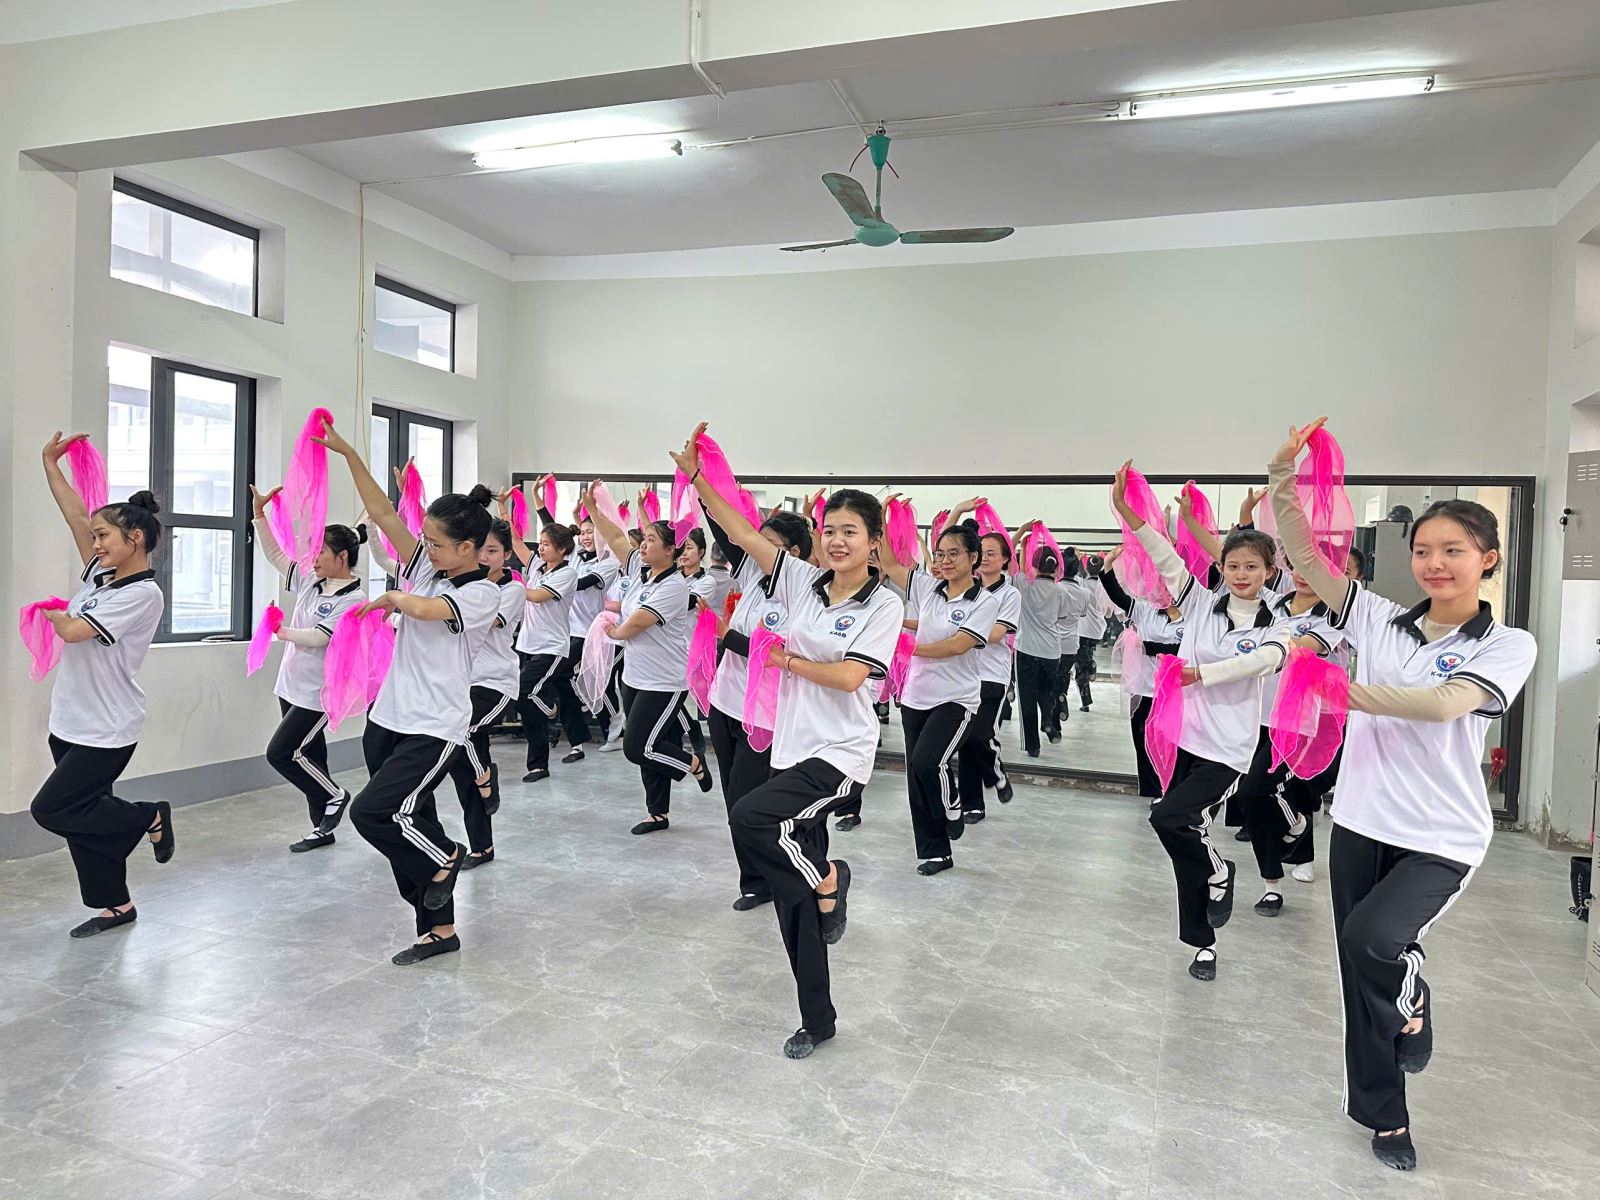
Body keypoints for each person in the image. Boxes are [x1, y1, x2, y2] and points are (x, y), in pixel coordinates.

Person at [1269, 419, 1536, 1172]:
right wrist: (1282, 474)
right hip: (1361, 820)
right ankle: (1386, 1117)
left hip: (1442, 835)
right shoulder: (1378, 617)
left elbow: (1447, 705)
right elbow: (1305, 556)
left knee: (1374, 941)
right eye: (1423, 551)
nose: (1435, 563)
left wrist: (1340, 692)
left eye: (1454, 550)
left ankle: (1412, 992)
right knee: (1357, 973)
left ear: (1487, 559)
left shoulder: (1507, 644)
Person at [674, 425, 901, 1060]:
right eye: (829, 529)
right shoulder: (803, 582)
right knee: (791, 898)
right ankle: (817, 1018)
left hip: (840, 753)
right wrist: (699, 480)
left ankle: (830, 876)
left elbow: (852, 677)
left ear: (874, 542)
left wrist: (786, 661)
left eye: (850, 531)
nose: (836, 540)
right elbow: (743, 531)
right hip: (792, 747)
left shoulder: (883, 605)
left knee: (750, 818)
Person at [315, 422, 500, 966]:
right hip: (389, 719)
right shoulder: (427, 566)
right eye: (427, 541)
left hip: (434, 726)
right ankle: (438, 929)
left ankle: (445, 858)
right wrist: (350, 454)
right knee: (415, 819)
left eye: (437, 544)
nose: (427, 549)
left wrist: (392, 597)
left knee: (374, 813)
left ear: (468, 548)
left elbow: (425, 609)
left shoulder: (482, 594)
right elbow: (384, 513)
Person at [1113, 461, 1291, 983]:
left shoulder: (1277, 622)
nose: (1241, 574)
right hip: (1187, 740)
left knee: (1170, 819)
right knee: (1184, 836)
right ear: (1222, 567)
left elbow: (1265, 662)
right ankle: (1203, 942)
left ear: (1268, 571)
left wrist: (1202, 674)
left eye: (1251, 566)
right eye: (1232, 565)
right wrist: (1128, 513)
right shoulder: (1199, 604)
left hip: (1229, 750)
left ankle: (1218, 869)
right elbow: (1163, 554)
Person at [29, 433, 170, 939]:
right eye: (94, 537)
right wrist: (50, 464)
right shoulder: (101, 576)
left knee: (53, 809)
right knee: (83, 817)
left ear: (136, 538)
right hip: (70, 720)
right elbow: (74, 515)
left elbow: (73, 632)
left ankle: (148, 816)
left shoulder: (143, 594)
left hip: (107, 727)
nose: (94, 544)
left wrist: (50, 613)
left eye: (104, 536)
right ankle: (116, 905)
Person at [702, 499, 814, 910]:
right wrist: (700, 480)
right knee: (732, 798)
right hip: (725, 703)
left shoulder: (804, 595)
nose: (755, 549)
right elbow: (724, 526)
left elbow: (775, 654)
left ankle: (771, 876)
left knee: (747, 802)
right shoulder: (751, 571)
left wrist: (725, 634)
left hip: (765, 717)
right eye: (754, 542)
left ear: (794, 553)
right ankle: (753, 879)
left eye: (766, 544)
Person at [879, 512, 1001, 875]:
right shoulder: (926, 588)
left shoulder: (983, 602)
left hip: (956, 699)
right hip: (916, 696)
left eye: (954, 554)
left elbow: (957, 645)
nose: (945, 560)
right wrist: (881, 520)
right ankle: (935, 852)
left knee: (928, 762)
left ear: (973, 558)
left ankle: (952, 807)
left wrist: (907, 648)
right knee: (915, 777)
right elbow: (889, 564)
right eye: (941, 553)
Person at [585, 485, 711, 833]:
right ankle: (657, 813)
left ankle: (692, 763)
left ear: (671, 550)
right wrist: (593, 510)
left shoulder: (675, 586)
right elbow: (615, 536)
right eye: (644, 539)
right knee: (652, 745)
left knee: (637, 747)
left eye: (652, 540)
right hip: (635, 677)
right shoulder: (639, 573)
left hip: (665, 681)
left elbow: (640, 621)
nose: (643, 545)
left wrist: (615, 632)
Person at [250, 487, 368, 853]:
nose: (313, 558)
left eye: (320, 552)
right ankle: (321, 828)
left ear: (342, 557)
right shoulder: (310, 580)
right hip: (291, 685)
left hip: (318, 693)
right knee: (311, 757)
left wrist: (279, 631)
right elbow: (275, 554)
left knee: (281, 753)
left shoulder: (354, 599)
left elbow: (319, 637)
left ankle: (335, 795)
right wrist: (259, 515)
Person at [442, 517, 526, 868]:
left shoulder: (512, 590)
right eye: (481, 549)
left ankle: (487, 773)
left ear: (506, 555)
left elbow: (485, 622)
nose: (484, 557)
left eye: (492, 551)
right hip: (462, 683)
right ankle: (482, 847)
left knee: (461, 730)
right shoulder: (463, 587)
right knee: (462, 771)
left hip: (496, 683)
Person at [934, 503, 1020, 822]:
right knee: (963, 741)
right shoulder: (963, 587)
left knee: (979, 735)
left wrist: (961, 633)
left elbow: (996, 635)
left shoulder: (1009, 595)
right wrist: (956, 511)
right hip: (960, 673)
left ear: (1005, 559)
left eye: (993, 553)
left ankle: (995, 773)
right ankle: (973, 804)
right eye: (982, 552)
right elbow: (944, 546)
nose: (986, 558)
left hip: (992, 675)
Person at [511, 521, 586, 782]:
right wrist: (503, 509)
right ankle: (538, 765)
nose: (540, 548)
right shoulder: (538, 567)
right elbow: (516, 543)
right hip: (528, 644)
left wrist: (512, 585)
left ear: (562, 549)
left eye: (546, 544)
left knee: (523, 692)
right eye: (540, 544)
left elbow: (538, 596)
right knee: (526, 702)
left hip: (551, 647)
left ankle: (550, 708)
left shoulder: (567, 574)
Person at [1012, 540, 1077, 759]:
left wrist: (1023, 545)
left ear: (1033, 565)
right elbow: (1061, 617)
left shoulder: (1025, 585)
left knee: (1027, 698)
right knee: (1047, 690)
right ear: (1056, 567)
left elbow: (1017, 569)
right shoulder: (1061, 591)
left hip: (1026, 649)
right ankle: (1048, 719)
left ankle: (1033, 746)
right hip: (1051, 651)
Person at [676, 527, 713, 760]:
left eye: (689, 548)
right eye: (681, 548)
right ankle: (690, 729)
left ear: (701, 552)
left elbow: (688, 603)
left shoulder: (707, 581)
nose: (683, 553)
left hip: (691, 647)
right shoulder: (672, 575)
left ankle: (692, 729)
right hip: (668, 645)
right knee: (670, 696)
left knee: (675, 695)